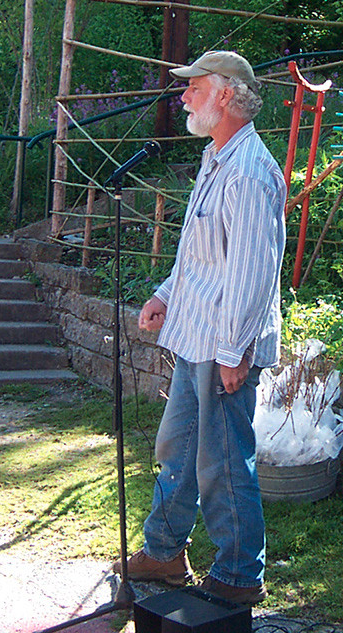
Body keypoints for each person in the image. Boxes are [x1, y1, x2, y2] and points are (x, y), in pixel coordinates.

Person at [119, 50, 286, 606]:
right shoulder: (217, 160)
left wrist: (234, 351)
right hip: (196, 337)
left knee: (221, 462)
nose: (184, 97)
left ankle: (240, 575)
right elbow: (200, 257)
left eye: (194, 87)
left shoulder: (250, 172)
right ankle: (165, 552)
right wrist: (165, 295)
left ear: (226, 94)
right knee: (177, 447)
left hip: (223, 345)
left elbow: (252, 271)